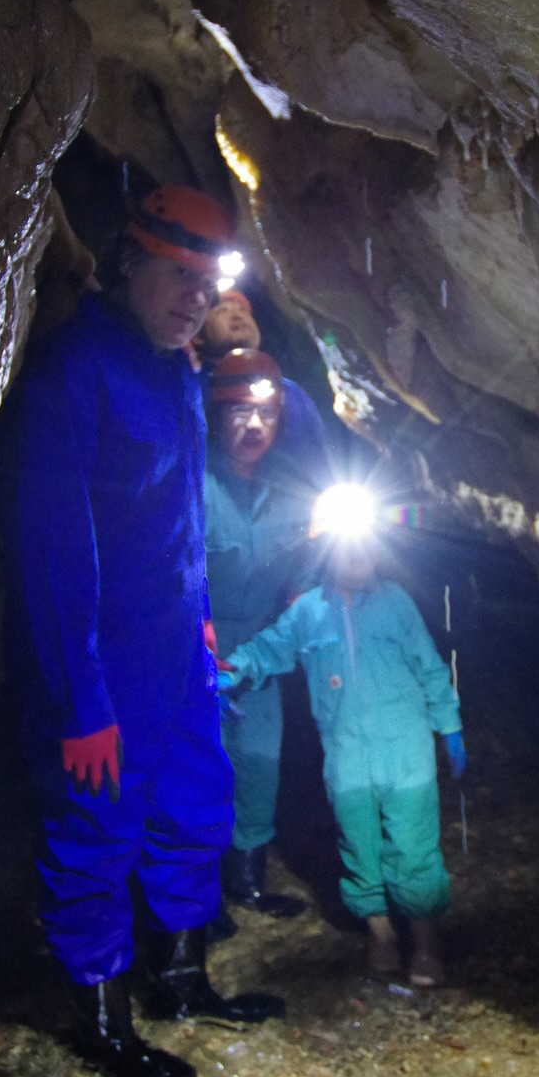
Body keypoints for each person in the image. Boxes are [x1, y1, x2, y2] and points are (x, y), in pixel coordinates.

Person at [6, 185, 283, 1077]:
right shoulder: (73, 373)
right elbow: (54, 556)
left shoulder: (177, 368)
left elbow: (179, 521)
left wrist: (202, 625)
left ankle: (180, 978)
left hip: (175, 654)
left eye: (208, 287)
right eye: (179, 278)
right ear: (130, 260)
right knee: (97, 831)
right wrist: (82, 703)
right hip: (102, 665)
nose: (194, 301)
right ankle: (98, 1017)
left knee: (196, 808)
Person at [220, 489, 466, 986]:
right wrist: (235, 667)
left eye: (367, 544)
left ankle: (424, 940)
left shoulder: (396, 604)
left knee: (414, 848)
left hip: (407, 753)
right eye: (345, 545)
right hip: (348, 756)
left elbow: (430, 667)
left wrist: (450, 724)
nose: (359, 555)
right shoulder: (308, 612)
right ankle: (381, 935)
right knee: (360, 848)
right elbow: (271, 647)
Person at [204, 348, 312, 918]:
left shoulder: (290, 498)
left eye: (266, 415)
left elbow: (303, 583)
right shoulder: (192, 486)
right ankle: (196, 905)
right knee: (197, 779)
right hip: (196, 655)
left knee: (258, 772)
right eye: (239, 412)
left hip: (261, 657)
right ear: (216, 415)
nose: (253, 426)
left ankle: (247, 883)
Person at [199, 288, 330, 477]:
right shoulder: (191, 388)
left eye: (243, 311)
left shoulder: (292, 393)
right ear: (199, 334)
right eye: (222, 311)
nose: (236, 315)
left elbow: (319, 454)